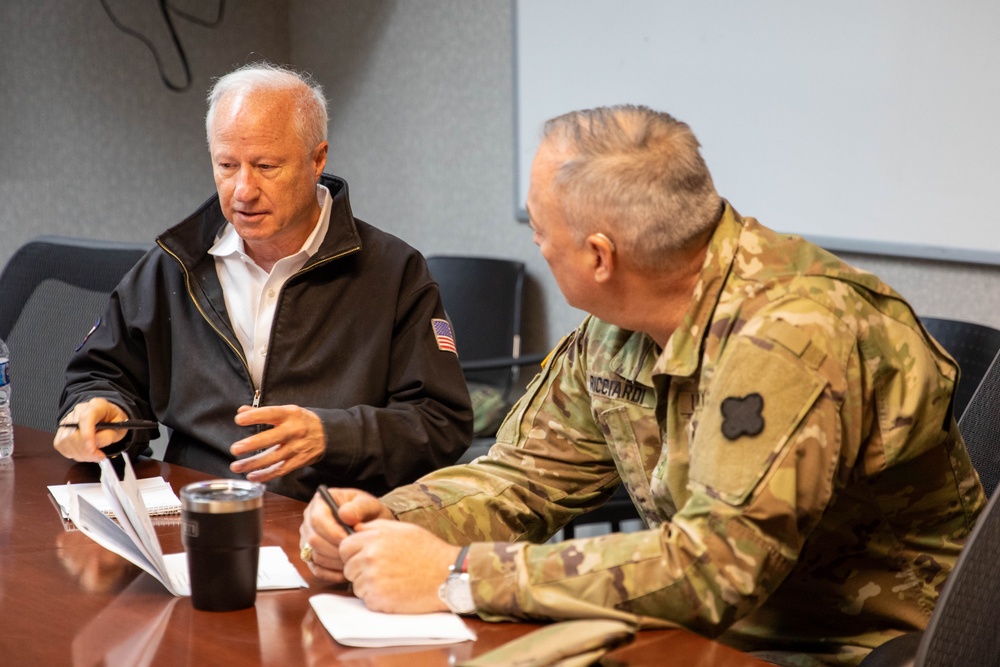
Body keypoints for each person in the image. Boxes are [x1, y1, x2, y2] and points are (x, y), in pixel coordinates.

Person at [298, 105, 986, 666]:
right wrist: (391, 521)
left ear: (600, 255)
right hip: (700, 632)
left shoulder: (789, 334)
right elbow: (522, 478)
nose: (536, 243)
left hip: (850, 646)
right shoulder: (619, 323)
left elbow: (717, 566)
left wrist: (460, 574)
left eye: (540, 230)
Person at [53, 62, 473, 502]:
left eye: (266, 166)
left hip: (328, 523)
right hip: (196, 516)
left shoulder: (393, 272)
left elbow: (440, 423)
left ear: (318, 160)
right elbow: (103, 375)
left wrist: (333, 435)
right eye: (227, 165)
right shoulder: (175, 263)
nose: (243, 190)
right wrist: (103, 414)